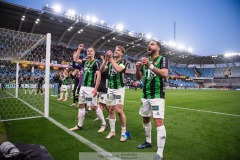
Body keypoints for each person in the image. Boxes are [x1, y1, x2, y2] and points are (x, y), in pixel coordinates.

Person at [135, 40, 168, 160]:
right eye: (148, 44)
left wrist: (150, 65)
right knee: (145, 118)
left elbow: (164, 74)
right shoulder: (145, 62)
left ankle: (160, 153)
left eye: (152, 44)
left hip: (157, 96)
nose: (149, 45)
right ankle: (148, 141)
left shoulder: (162, 59)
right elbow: (139, 77)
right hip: (145, 96)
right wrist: (138, 68)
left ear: (158, 48)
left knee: (158, 122)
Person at [69, 44, 107, 132]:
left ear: (94, 53)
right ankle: (79, 125)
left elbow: (98, 75)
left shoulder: (96, 62)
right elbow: (75, 59)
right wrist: (79, 49)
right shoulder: (85, 62)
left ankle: (104, 124)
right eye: (88, 51)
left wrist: (96, 88)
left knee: (94, 107)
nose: (89, 52)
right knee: (81, 105)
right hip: (82, 87)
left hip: (90, 88)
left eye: (91, 51)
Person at [100, 46, 127, 142]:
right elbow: (101, 70)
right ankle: (112, 131)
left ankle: (124, 132)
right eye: (115, 50)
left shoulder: (123, 61)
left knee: (119, 110)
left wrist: (111, 59)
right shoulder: (111, 62)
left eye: (118, 50)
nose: (116, 51)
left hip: (119, 89)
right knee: (111, 109)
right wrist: (105, 61)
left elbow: (119, 69)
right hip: (110, 89)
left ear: (122, 54)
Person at [94, 54, 110, 121]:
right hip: (101, 86)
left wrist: (104, 59)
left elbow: (102, 69)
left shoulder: (107, 67)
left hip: (104, 86)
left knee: (103, 103)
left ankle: (110, 114)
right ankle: (100, 116)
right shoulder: (105, 66)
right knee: (100, 102)